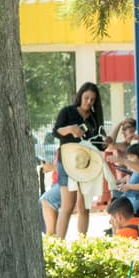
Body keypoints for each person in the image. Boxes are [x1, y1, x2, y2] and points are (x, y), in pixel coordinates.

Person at [52, 82, 104, 238]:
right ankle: (59, 243)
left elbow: (99, 143)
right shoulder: (67, 112)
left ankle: (82, 244)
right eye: (86, 97)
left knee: (84, 205)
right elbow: (56, 132)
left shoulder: (95, 118)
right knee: (67, 205)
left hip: (87, 165)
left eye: (92, 99)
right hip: (67, 162)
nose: (89, 102)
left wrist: (106, 141)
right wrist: (70, 129)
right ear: (80, 95)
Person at [113, 143, 139, 214]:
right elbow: (128, 179)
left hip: (136, 198)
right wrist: (118, 182)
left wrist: (129, 186)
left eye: (131, 157)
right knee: (116, 205)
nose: (129, 160)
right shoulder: (134, 170)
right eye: (128, 158)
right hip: (128, 196)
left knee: (124, 211)